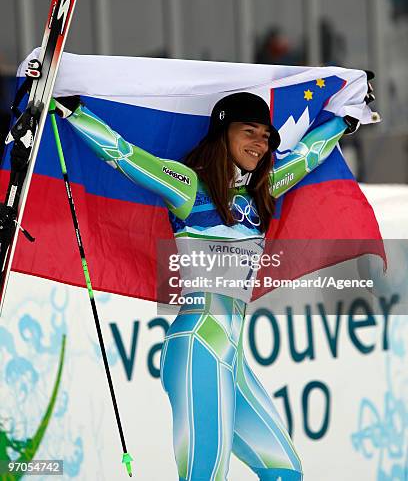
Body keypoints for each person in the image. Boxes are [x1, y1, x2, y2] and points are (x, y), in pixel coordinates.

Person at [55, 91, 354, 480]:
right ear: (222, 134)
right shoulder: (189, 187)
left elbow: (308, 156)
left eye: (266, 136)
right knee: (206, 475)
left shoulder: (262, 190)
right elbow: (125, 155)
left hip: (232, 357)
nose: (260, 144)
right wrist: (75, 111)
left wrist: (345, 120)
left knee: (285, 470)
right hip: (198, 347)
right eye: (249, 131)